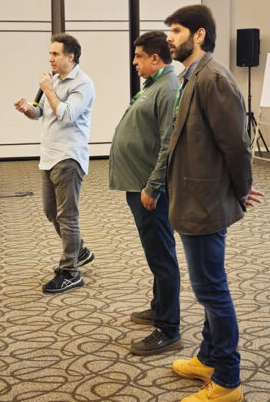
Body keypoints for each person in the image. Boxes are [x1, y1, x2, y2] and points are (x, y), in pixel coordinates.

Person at [164, 5, 263, 402]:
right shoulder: (191, 77)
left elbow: (236, 145)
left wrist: (242, 189)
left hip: (204, 203)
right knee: (208, 286)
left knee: (211, 290)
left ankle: (227, 381)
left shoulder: (214, 79)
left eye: (176, 30)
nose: (169, 38)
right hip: (192, 199)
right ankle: (208, 358)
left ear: (199, 34)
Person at [109, 31, 182, 355]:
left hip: (150, 189)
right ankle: (159, 306)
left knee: (162, 256)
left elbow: (169, 143)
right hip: (139, 184)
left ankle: (169, 329)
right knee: (155, 253)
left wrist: (154, 186)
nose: (134, 62)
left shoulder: (168, 88)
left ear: (155, 58)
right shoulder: (154, 85)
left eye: (139, 56)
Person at [14, 33, 95, 294]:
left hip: (68, 157)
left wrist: (49, 89)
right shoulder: (54, 79)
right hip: (48, 156)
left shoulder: (83, 84)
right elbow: (42, 110)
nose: (50, 58)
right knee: (51, 212)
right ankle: (78, 250)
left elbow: (67, 115)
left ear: (70, 56)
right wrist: (28, 109)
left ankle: (71, 271)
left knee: (67, 216)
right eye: (50, 53)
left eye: (55, 54)